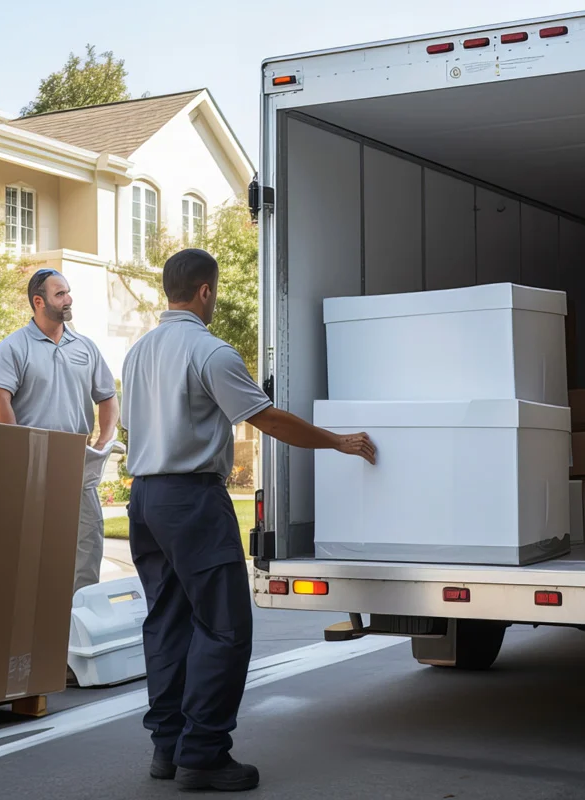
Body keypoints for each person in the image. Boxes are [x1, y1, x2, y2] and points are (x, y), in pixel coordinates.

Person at [121, 248, 376, 792]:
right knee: (225, 627)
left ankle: (167, 749)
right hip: (190, 500)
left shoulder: (137, 352)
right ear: (206, 291)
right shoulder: (210, 352)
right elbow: (267, 418)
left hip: (144, 499)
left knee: (167, 624)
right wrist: (337, 441)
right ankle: (204, 754)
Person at [0, 267, 120, 595]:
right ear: (39, 301)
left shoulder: (85, 348)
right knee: (31, 554)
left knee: (87, 548)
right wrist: (21, 450)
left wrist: (102, 440)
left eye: (68, 292)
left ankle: (78, 621)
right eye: (60, 294)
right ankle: (34, 627)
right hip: (32, 469)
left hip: (77, 466)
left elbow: (108, 397)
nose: (68, 298)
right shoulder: (13, 347)